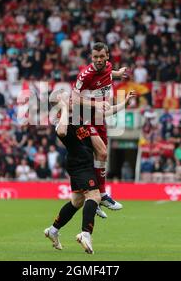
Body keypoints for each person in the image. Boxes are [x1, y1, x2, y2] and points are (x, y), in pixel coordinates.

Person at [71, 42, 128, 218]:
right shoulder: (85, 75)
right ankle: (100, 194)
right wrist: (96, 103)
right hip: (84, 118)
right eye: (95, 57)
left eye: (101, 56)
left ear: (107, 56)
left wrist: (117, 73)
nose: (98, 60)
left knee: (102, 156)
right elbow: (73, 98)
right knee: (100, 153)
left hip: (99, 118)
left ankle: (95, 197)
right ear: (91, 57)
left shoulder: (108, 67)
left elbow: (107, 72)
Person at [44, 94, 101, 254]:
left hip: (82, 161)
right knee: (94, 196)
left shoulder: (75, 115)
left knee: (77, 201)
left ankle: (53, 230)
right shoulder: (60, 118)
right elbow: (62, 132)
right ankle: (85, 233)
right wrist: (62, 107)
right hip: (80, 164)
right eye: (65, 98)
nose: (69, 100)